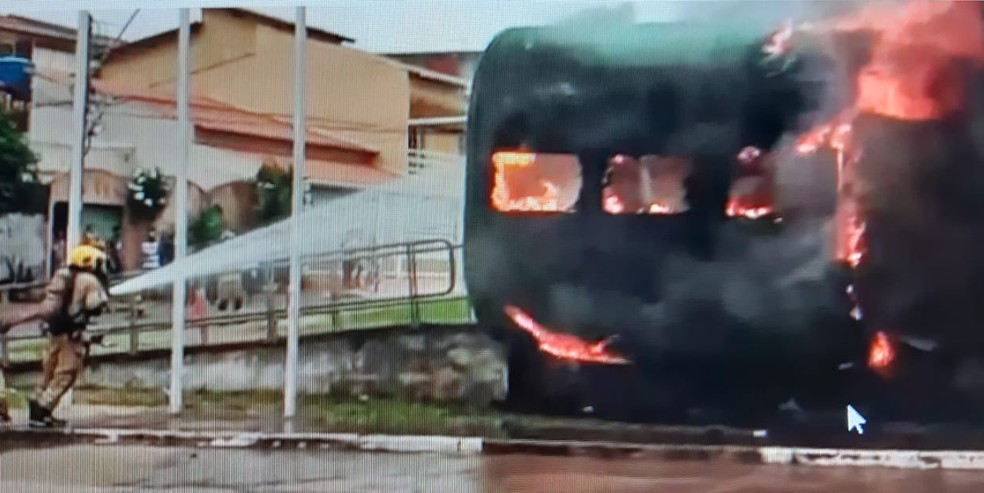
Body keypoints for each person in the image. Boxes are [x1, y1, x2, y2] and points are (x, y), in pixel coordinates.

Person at [0, 243, 110, 428]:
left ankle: (37, 403)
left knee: (48, 371)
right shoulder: (90, 280)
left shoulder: (61, 275)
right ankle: (43, 409)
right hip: (73, 335)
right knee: (66, 374)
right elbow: (94, 305)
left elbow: (50, 305)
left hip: (55, 332)